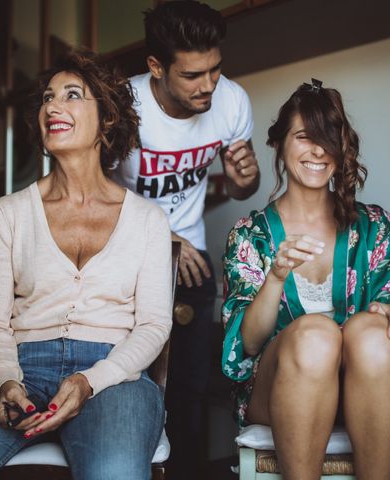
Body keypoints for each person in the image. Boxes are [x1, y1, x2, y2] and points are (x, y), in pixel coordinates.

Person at [0, 50, 172, 480]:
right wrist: (6, 379)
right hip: (21, 367)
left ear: (108, 120)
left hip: (114, 374)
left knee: (113, 474)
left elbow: (154, 326)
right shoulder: (6, 214)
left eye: (72, 95)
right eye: (47, 97)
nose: (52, 106)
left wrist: (90, 381)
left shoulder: (148, 220)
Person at [221, 80, 390, 480]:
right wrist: (276, 276)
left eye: (330, 138)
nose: (319, 151)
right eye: (305, 137)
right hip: (280, 391)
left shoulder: (375, 228)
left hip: (370, 388)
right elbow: (247, 345)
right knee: (315, 335)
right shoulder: (250, 236)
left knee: (375, 331)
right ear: (278, 144)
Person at [113, 1, 260, 477]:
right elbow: (90, 192)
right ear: (155, 67)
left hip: (190, 263)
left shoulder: (232, 101)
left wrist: (246, 178)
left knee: (190, 390)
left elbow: (243, 187)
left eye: (215, 69)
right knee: (125, 384)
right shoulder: (121, 105)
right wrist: (164, 235)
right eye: (193, 75)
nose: (209, 85)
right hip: (122, 263)